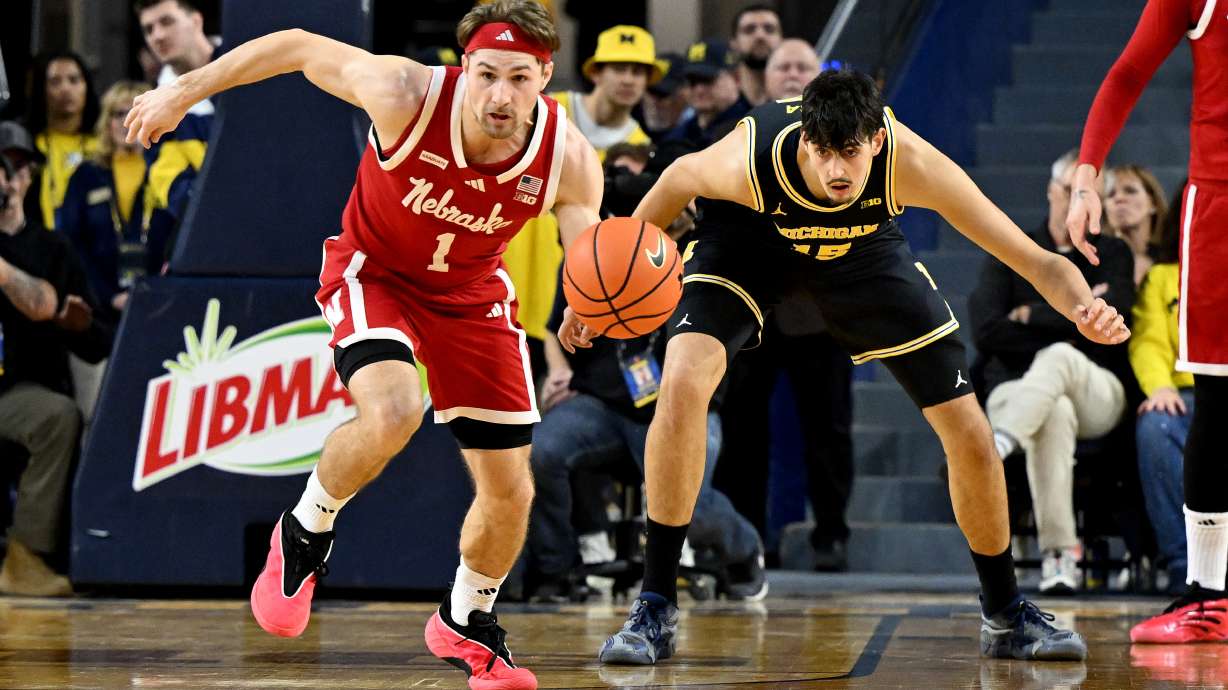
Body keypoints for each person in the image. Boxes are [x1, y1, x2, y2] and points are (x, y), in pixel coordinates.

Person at [559, 69, 1131, 665]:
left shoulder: (911, 162)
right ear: (804, 139)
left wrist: (1086, 309)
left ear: (876, 142)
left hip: (861, 253)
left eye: (851, 153)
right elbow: (676, 179)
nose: (837, 170)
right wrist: (602, 293)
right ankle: (654, 604)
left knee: (969, 428)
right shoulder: (745, 159)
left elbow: (1036, 262)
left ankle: (1006, 612)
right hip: (747, 244)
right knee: (680, 384)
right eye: (824, 151)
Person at [124, 1, 602, 687]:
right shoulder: (403, 92)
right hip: (373, 272)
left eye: (519, 78)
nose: (500, 95)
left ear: (545, 76)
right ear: (464, 68)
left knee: (511, 491)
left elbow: (584, 239)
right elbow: (292, 43)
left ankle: (466, 618)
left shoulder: (567, 152)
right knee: (394, 410)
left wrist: (587, 302)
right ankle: (304, 531)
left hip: (470, 294)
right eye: (487, 74)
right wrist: (182, 90)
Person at [1065, 0, 1228, 644]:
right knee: (1218, 396)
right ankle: (1210, 596)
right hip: (1220, 203)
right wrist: (1085, 180)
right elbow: (1127, 74)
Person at [713, 37, 854, 569]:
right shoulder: (738, 133)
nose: (793, 74)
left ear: (819, 75)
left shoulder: (847, 132)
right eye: (783, 67)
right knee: (744, 434)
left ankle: (832, 535)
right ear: (766, 79)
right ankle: (746, 542)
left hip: (823, 313)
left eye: (803, 66)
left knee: (830, 431)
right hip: (751, 311)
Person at [971, 150, 1136, 595]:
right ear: (1050, 192)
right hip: (1016, 387)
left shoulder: (1113, 253)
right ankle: (1060, 556)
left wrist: (1030, 315)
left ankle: (999, 443)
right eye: (1070, 192)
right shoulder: (1014, 250)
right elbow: (987, 330)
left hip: (1097, 388)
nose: (1079, 204)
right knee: (1054, 410)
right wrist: (1075, 322)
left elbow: (1117, 324)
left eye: (1092, 197)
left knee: (1061, 361)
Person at [0, 121, 112, 597]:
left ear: (24, 178)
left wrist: (80, 325)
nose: (11, 177)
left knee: (58, 417)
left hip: (21, 390)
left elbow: (96, 343)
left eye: (17, 166)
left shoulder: (51, 249)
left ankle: (25, 556)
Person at [1131, 180, 1191, 594]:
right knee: (1156, 428)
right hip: (1188, 395)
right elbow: (1149, 340)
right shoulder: (1164, 277)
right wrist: (1159, 388)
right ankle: (1184, 564)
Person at [134, 0, 218, 271]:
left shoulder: (252, 65)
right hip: (210, 243)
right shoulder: (153, 110)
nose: (157, 35)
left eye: (166, 22)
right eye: (148, 29)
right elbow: (176, 191)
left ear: (196, 20)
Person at [57, 81, 150, 321]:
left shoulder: (165, 170)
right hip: (97, 310)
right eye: (119, 113)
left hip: (158, 304)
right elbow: (72, 245)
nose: (127, 120)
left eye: (136, 111)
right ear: (107, 123)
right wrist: (107, 296)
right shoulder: (86, 175)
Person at [24, 51, 101, 230]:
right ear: (42, 89)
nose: (65, 88)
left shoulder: (103, 145)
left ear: (86, 86)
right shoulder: (28, 147)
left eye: (74, 80)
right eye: (55, 81)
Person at [664, 38, 750, 149]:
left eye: (707, 79)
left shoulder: (751, 127)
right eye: (692, 81)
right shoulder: (678, 136)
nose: (699, 90)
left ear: (736, 78)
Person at [1104, 164, 1167, 287]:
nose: (1119, 198)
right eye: (1110, 194)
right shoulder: (1092, 263)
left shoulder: (1174, 258)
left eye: (1130, 191)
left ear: (1153, 203)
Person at [729, 4, 782, 107]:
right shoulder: (721, 101)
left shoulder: (795, 98)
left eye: (769, 29)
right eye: (749, 30)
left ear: (782, 39)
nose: (760, 36)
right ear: (733, 43)